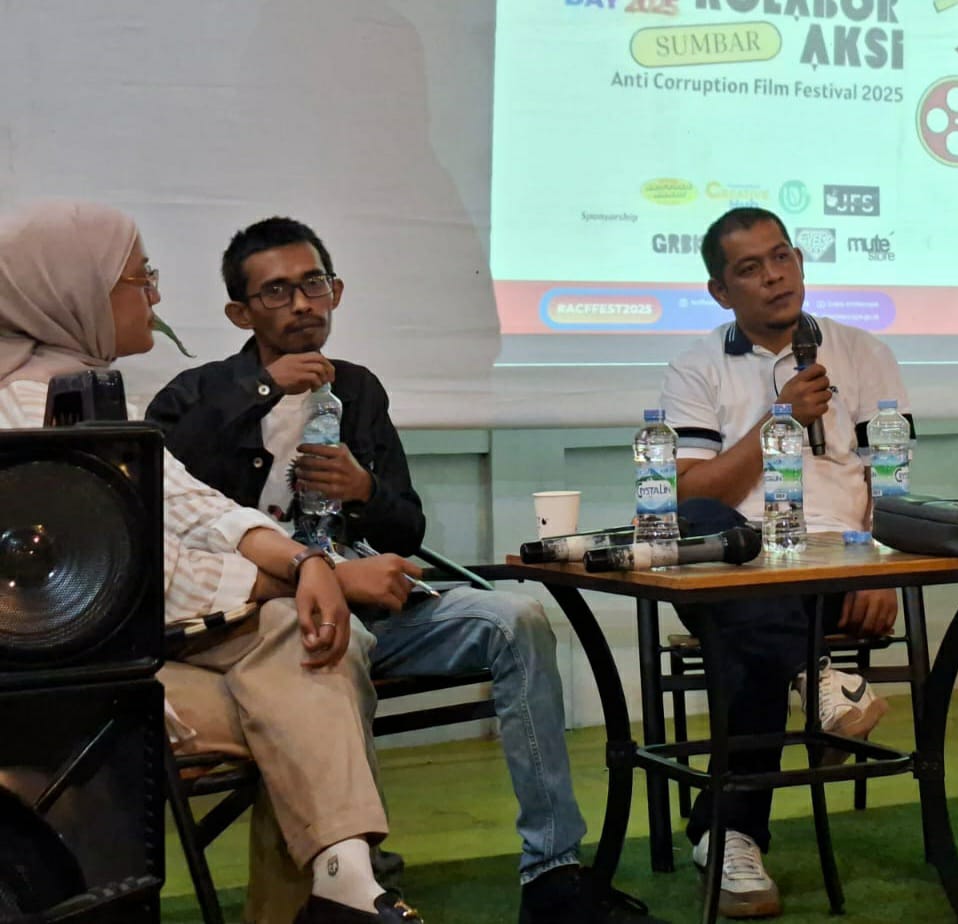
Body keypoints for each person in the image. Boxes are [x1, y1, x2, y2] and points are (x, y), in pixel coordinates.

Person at [143, 216, 659, 924]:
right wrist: (262, 389)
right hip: (264, 625)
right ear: (241, 312)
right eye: (277, 292)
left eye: (314, 284)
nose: (302, 304)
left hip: (374, 602)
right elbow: (171, 502)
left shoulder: (358, 390)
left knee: (515, 619)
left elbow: (406, 528)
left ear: (337, 291)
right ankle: (355, 866)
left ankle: (553, 873)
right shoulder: (192, 395)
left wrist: (364, 490)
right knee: (329, 640)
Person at [0, 199, 420, 923]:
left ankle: (341, 878)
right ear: (73, 292)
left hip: (135, 663)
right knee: (306, 690)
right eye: (141, 278)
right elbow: (133, 577)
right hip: (61, 693)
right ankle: (342, 883)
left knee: (303, 649)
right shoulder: (22, 415)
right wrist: (310, 576)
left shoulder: (78, 395)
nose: (156, 296)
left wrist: (304, 564)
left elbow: (193, 507)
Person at [657, 206, 912, 918]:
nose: (774, 276)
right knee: (702, 537)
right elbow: (689, 491)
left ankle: (730, 835)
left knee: (745, 632)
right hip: (739, 564)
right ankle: (818, 680)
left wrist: (880, 565)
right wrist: (778, 419)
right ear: (720, 291)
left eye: (782, 257)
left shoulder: (864, 352)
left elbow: (891, 480)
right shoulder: (695, 367)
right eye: (750, 268)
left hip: (837, 566)